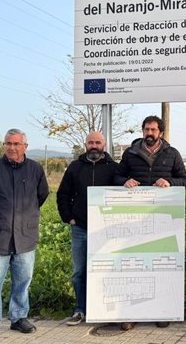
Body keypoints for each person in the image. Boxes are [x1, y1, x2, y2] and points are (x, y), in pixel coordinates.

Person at [0, 129, 49, 342]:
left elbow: (41, 195)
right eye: (8, 143)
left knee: (23, 281)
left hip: (25, 236)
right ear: (4, 145)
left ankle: (18, 318)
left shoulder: (35, 170)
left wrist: (25, 217)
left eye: (16, 144)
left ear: (25, 146)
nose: (12, 147)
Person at [114, 115, 186, 330]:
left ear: (161, 133)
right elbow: (117, 177)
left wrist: (170, 182)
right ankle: (131, 314)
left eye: (153, 130)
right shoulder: (130, 153)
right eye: (146, 129)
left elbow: (184, 180)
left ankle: (160, 311)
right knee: (135, 266)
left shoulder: (172, 154)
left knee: (160, 266)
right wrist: (124, 181)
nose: (149, 133)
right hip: (134, 218)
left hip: (162, 217)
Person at [57, 131, 117, 326]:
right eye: (90, 142)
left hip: (106, 230)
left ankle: (105, 310)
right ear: (85, 144)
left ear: (104, 145)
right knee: (79, 272)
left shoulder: (114, 168)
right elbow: (63, 194)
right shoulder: (75, 167)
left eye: (97, 142)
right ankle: (80, 309)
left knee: (107, 269)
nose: (93, 146)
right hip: (81, 228)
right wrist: (69, 218)